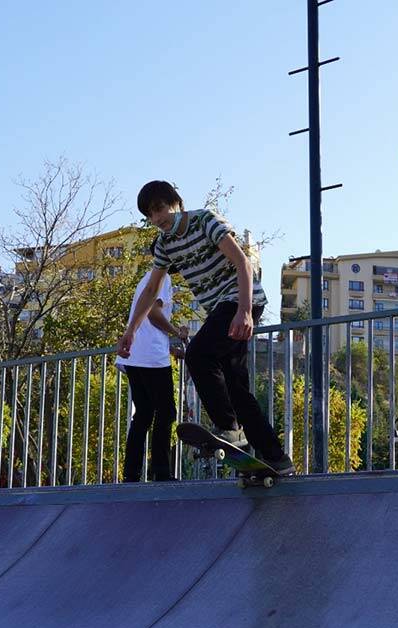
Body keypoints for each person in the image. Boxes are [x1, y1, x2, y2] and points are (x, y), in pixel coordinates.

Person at [117, 180, 294, 475]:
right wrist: (130, 332)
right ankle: (275, 456)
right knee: (236, 387)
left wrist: (245, 311)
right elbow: (150, 292)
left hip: (239, 301)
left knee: (199, 356)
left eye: (160, 209)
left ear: (176, 203)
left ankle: (230, 429)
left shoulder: (204, 220)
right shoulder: (164, 245)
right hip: (221, 312)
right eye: (150, 215)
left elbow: (243, 264)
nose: (157, 219)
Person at [116, 265, 186, 482]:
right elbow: (153, 314)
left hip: (137, 355)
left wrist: (171, 349)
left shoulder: (147, 278)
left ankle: (131, 473)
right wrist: (177, 332)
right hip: (151, 358)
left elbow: (147, 324)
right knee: (166, 412)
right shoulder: (162, 278)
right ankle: (161, 470)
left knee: (144, 414)